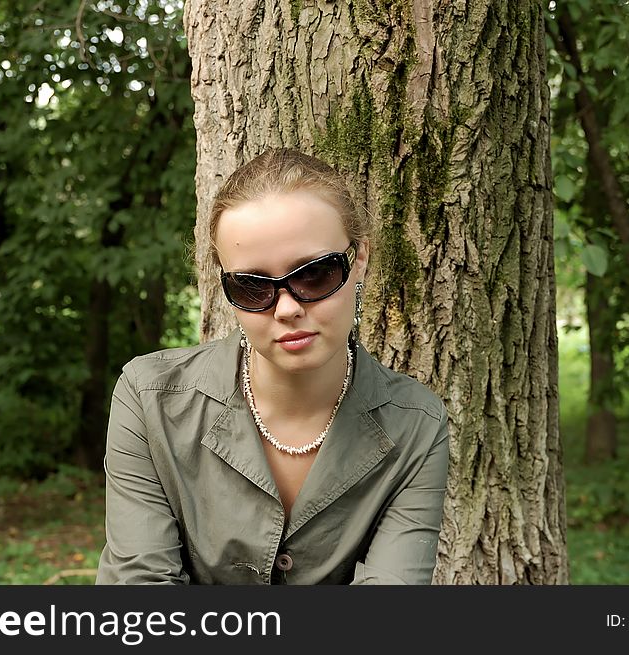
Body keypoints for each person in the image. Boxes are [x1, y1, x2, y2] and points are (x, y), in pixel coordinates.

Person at [96, 148, 450, 585]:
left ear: (358, 260)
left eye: (314, 274)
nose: (285, 309)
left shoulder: (416, 425)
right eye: (252, 286)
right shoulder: (149, 399)